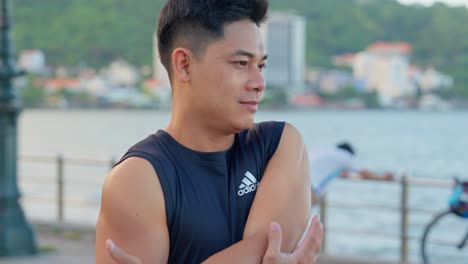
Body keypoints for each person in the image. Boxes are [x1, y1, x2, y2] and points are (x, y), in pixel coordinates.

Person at [95, 0, 323, 263]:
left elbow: (266, 249)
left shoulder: (279, 144)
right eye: (240, 63)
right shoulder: (139, 179)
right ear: (184, 65)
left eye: (260, 66)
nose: (259, 84)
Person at [309, 142, 394, 205]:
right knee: (303, 220)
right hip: (309, 187)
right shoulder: (345, 155)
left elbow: (335, 172)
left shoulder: (325, 150)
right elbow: (363, 172)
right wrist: (383, 178)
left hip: (299, 179)